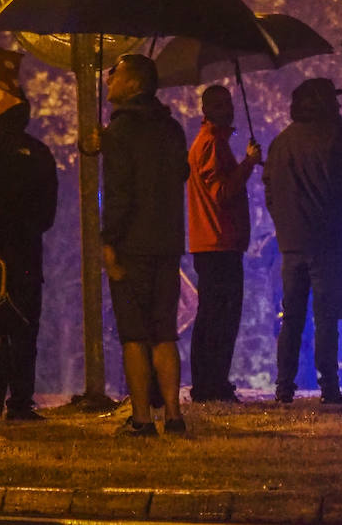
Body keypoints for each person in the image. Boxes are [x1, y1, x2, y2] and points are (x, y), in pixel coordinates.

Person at [101, 54, 190, 436]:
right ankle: (173, 413)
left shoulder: (120, 133)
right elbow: (182, 173)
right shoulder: (172, 130)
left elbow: (120, 193)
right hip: (168, 242)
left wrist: (109, 240)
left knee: (135, 335)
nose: (108, 80)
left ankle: (141, 417)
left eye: (115, 74)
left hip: (132, 245)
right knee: (165, 332)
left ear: (134, 84)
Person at [263, 78, 342, 405]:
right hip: (326, 242)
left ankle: (284, 387)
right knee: (325, 317)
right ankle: (329, 386)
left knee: (291, 317)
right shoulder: (335, 141)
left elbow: (270, 194)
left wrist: (284, 226)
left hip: (291, 244)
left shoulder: (280, 144)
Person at [0, 100, 57, 420]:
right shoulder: (39, 153)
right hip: (26, 252)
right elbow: (47, 214)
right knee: (24, 329)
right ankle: (20, 401)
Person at [187, 85, 261, 403]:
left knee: (212, 315)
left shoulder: (210, 142)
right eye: (221, 104)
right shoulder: (211, 145)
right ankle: (211, 383)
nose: (229, 109)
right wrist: (247, 164)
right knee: (220, 316)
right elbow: (221, 193)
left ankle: (211, 381)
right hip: (218, 242)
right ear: (207, 109)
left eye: (229, 103)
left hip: (213, 241)